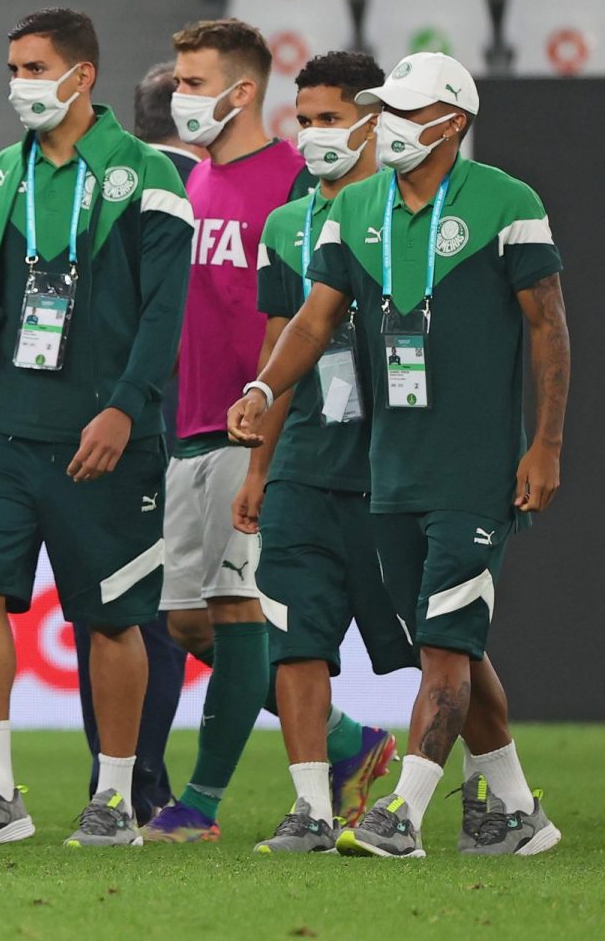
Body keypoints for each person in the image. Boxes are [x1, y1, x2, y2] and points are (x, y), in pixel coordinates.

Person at [230, 52, 568, 859]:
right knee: (446, 639)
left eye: (411, 113)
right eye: (387, 110)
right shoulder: (359, 209)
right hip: (390, 469)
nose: (393, 125)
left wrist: (546, 445)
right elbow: (312, 322)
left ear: (455, 121)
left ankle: (402, 816)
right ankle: (519, 810)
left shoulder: (507, 202)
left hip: (475, 469)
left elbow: (548, 328)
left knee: (447, 643)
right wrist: (266, 391)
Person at [0, 9, 187, 852]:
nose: (19, 86)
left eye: (34, 68)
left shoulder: (146, 174)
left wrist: (125, 404)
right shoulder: (7, 171)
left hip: (104, 430)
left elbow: (164, 310)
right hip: (3, 428)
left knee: (111, 618)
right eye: (13, 69)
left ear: (83, 76)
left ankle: (113, 799)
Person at [147, 18, 325, 843]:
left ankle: (203, 804)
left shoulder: (290, 183)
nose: (178, 97)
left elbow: (290, 322)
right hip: (184, 425)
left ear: (241, 91)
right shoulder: (192, 186)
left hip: (244, 428)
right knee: (188, 621)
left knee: (236, 608)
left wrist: (262, 434)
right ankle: (354, 743)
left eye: (191, 83)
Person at [235, 53, 414, 853]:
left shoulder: (406, 216)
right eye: (303, 121)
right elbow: (280, 341)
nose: (313, 136)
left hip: (397, 466)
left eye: (330, 119)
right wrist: (259, 468)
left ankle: (492, 786)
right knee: (296, 639)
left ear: (375, 121)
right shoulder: (284, 224)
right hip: (307, 462)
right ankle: (310, 806)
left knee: (442, 645)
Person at [63, 59, 199, 826]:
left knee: (114, 610)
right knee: (168, 612)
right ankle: (143, 783)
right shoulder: (206, 191)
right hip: (185, 426)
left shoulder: (89, 188)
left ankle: (119, 780)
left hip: (92, 425)